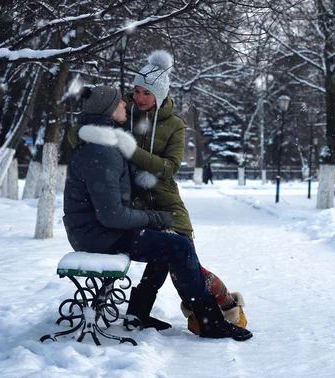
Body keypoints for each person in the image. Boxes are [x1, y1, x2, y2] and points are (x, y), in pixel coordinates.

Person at [70, 50, 247, 336]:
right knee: (174, 255)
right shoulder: (121, 113)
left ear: (160, 96)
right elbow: (86, 128)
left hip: (165, 202)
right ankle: (181, 317)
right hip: (132, 204)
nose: (139, 98)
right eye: (137, 91)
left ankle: (223, 308)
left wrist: (132, 151)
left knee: (184, 263)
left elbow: (169, 168)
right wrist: (88, 135)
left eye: (147, 94)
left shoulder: (174, 125)